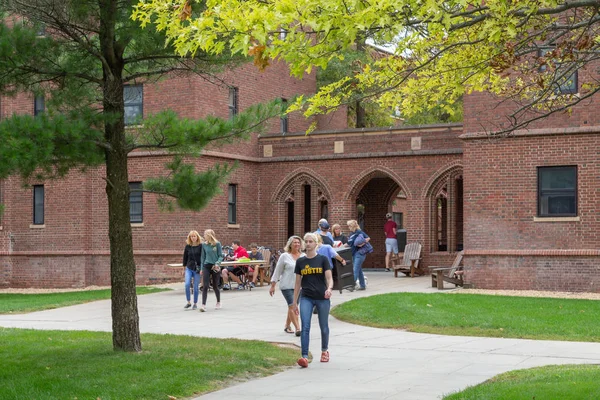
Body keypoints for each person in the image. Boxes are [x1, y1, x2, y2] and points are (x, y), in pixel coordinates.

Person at [292, 232, 334, 368]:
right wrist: (294, 302)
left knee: (324, 326)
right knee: (305, 326)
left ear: (316, 243)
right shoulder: (300, 262)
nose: (308, 244)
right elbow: (298, 283)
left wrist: (329, 289)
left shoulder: (322, 259)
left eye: (311, 241)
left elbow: (329, 278)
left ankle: (324, 350)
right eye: (306, 241)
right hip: (306, 297)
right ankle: (304, 356)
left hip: (322, 297)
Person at [269, 236, 304, 336]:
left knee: (292, 307)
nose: (297, 244)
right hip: (287, 286)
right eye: (294, 243)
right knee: (293, 306)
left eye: (298, 242)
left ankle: (287, 326)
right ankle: (298, 328)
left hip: (299, 286)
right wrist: (273, 285)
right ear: (290, 244)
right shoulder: (285, 256)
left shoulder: (303, 256)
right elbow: (277, 271)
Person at [200, 229, 223, 312]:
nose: (204, 236)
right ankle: (203, 305)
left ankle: (218, 302)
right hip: (206, 265)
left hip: (215, 266)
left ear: (209, 235)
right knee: (205, 285)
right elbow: (202, 257)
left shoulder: (217, 244)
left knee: (215, 286)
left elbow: (221, 256)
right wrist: (202, 268)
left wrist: (217, 263)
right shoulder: (204, 245)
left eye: (205, 234)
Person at [347, 219, 370, 291]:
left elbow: (368, 238)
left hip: (359, 253)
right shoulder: (351, 234)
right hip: (353, 253)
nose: (348, 227)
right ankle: (362, 285)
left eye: (349, 226)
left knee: (355, 269)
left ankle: (352, 285)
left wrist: (361, 244)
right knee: (359, 270)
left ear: (352, 226)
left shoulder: (359, 232)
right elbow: (349, 243)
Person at [182, 230, 203, 310]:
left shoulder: (201, 246)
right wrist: (183, 268)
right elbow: (185, 257)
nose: (193, 238)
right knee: (187, 284)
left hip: (197, 268)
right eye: (191, 236)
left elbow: (202, 257)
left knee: (195, 286)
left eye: (194, 236)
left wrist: (202, 268)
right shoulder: (188, 246)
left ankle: (195, 303)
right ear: (189, 238)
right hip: (189, 267)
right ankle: (188, 302)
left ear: (197, 237)